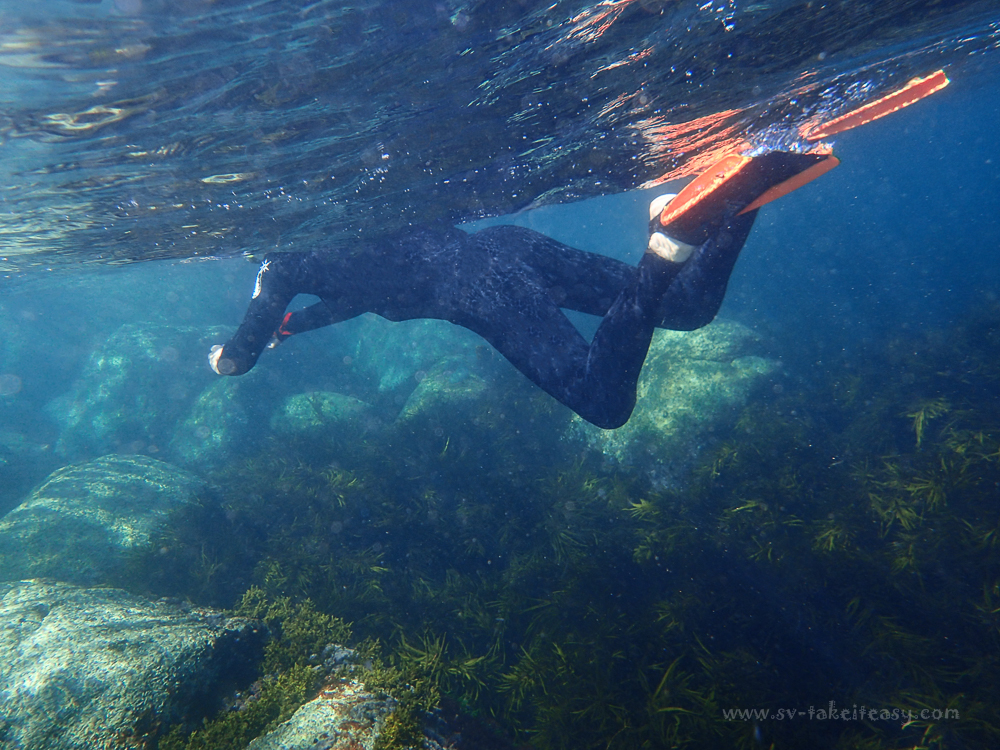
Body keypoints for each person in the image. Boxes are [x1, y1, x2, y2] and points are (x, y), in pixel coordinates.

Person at [209, 151, 836, 429]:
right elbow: (357, 291)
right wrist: (297, 329)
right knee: (692, 309)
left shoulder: (282, 266)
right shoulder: (345, 216)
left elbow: (239, 354)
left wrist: (229, 356)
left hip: (482, 288)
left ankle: (664, 246)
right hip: (508, 247)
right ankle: (740, 191)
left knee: (605, 405)